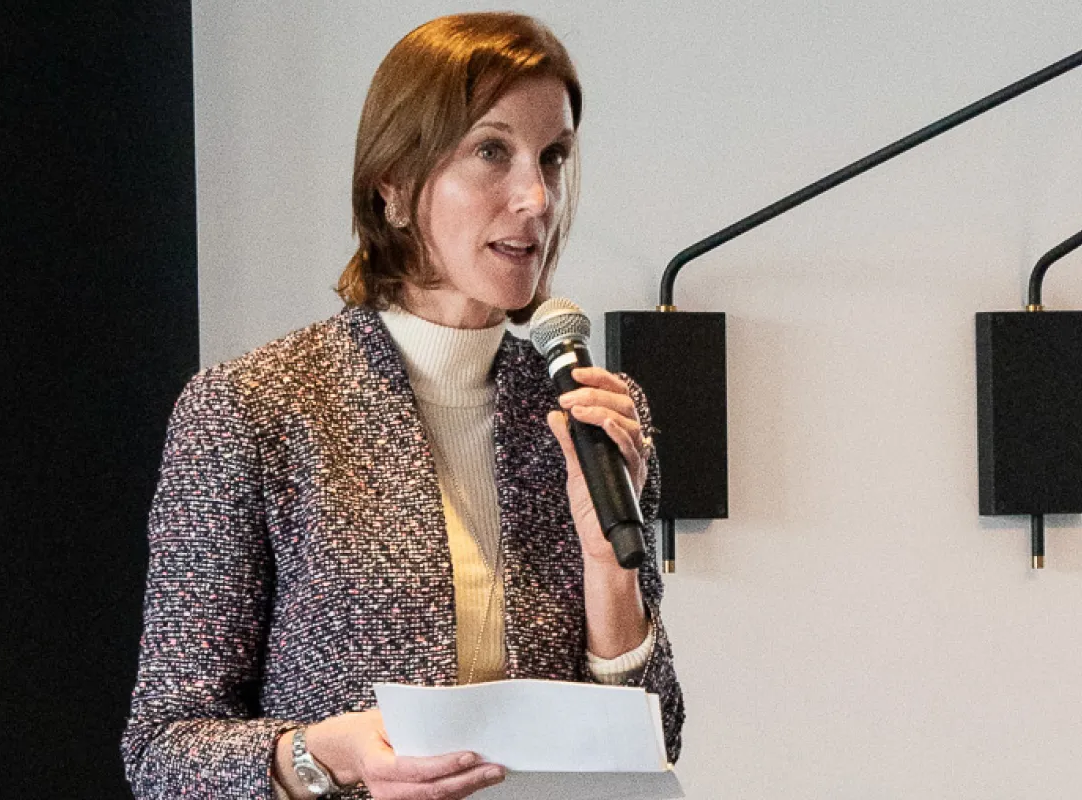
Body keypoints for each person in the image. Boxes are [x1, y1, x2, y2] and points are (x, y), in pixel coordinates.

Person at [121, 12, 683, 800]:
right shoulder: (252, 409)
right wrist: (323, 755)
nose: (535, 197)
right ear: (393, 186)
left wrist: (606, 569)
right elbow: (163, 752)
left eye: (551, 158)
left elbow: (658, 735)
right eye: (493, 151)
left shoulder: (590, 416)